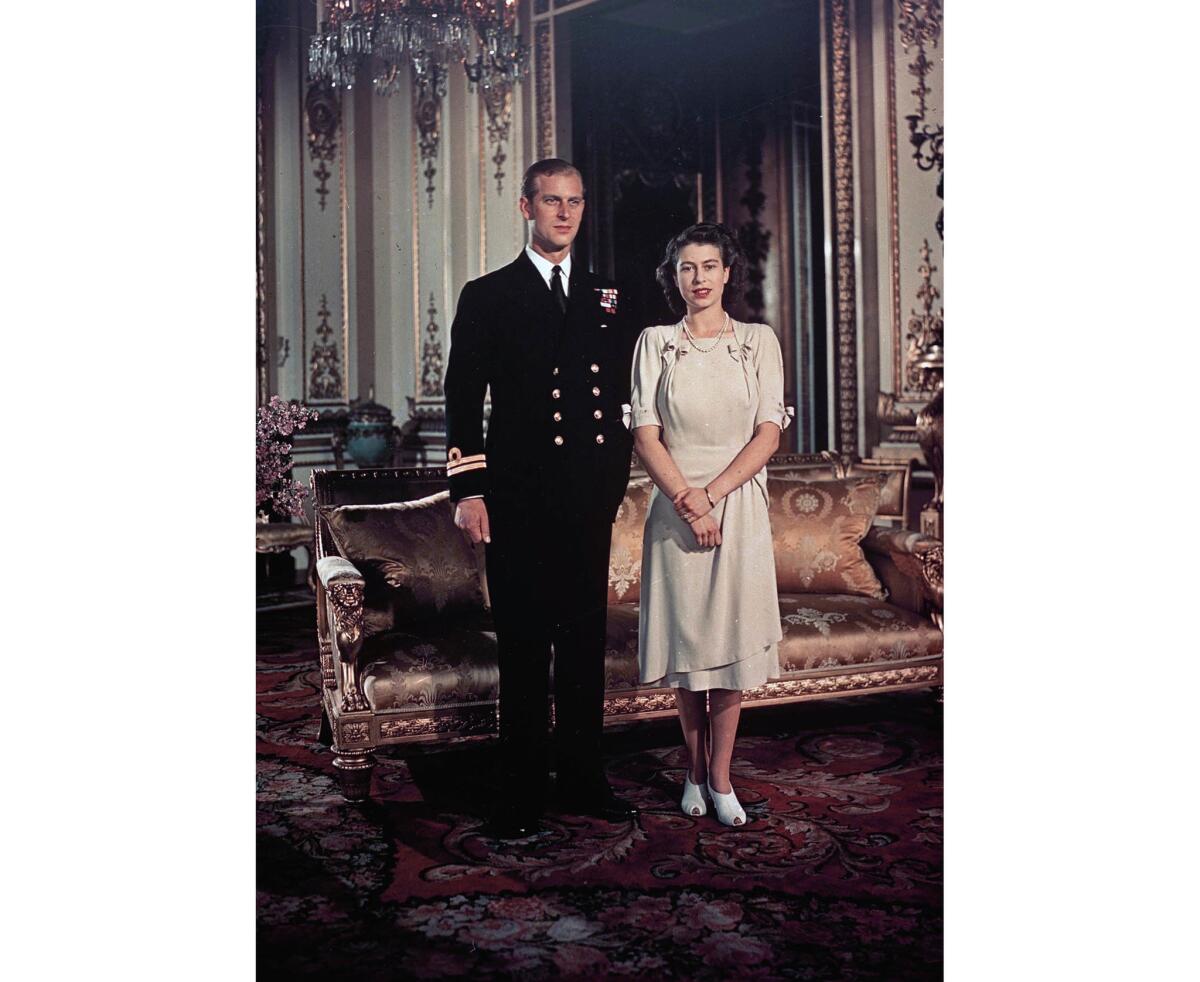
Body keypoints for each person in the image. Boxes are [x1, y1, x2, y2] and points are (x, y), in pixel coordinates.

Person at [443, 158, 639, 839]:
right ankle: (522, 791)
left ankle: (584, 780)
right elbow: (463, 400)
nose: (564, 213)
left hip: (588, 499)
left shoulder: (608, 295)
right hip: (518, 499)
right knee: (525, 647)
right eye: (551, 201)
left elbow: (622, 399)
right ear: (525, 208)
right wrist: (468, 490)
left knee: (584, 646)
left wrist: (613, 481)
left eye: (575, 202)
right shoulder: (488, 295)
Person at [629, 223, 790, 827]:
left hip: (736, 507)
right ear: (675, 277)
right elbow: (646, 433)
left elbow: (768, 433)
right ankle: (691, 770)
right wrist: (686, 500)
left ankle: (719, 777)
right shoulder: (654, 343)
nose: (698, 278)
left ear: (729, 273)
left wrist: (713, 498)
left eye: (709, 266)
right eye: (687, 268)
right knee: (690, 652)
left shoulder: (757, 341)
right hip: (674, 509)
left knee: (728, 654)